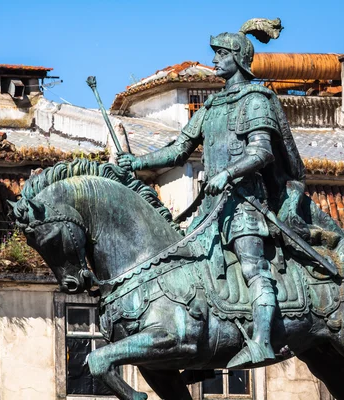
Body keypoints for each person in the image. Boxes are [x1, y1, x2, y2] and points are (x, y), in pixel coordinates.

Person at [117, 18, 305, 368]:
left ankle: (263, 342)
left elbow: (262, 152)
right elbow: (177, 150)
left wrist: (228, 173)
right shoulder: (212, 106)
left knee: (252, 268)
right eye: (215, 53)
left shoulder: (256, 99)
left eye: (221, 53)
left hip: (248, 203)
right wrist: (135, 162)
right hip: (212, 210)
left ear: (237, 57)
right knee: (188, 275)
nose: (215, 59)